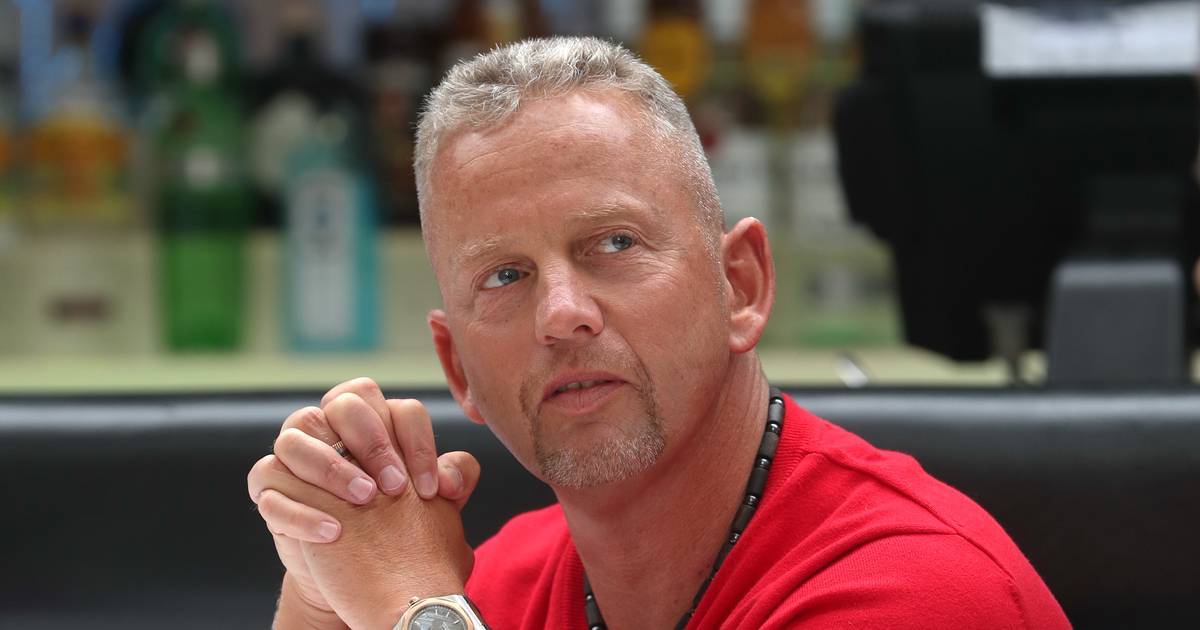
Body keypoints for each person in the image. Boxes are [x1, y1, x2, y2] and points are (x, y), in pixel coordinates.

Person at [247, 37, 1070, 629]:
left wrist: (411, 612)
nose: (561, 313)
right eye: (504, 276)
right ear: (457, 369)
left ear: (741, 287)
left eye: (614, 244)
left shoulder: (918, 591)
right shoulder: (498, 584)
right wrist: (323, 592)